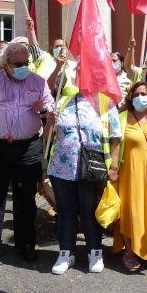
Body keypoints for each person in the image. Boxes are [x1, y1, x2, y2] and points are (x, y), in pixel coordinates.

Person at [0, 42, 56, 265]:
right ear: (5, 64)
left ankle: (26, 243)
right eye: (17, 64)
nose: (22, 67)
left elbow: (51, 108)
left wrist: (45, 109)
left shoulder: (38, 81)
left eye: (26, 63)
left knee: (26, 197)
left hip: (28, 147)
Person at [46, 71, 122, 275]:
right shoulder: (63, 101)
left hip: (90, 168)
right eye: (80, 75)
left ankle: (95, 252)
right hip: (61, 168)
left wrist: (114, 168)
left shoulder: (106, 103)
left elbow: (115, 138)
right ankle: (66, 253)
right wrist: (49, 123)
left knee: (88, 210)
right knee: (66, 211)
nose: (84, 79)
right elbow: (48, 136)